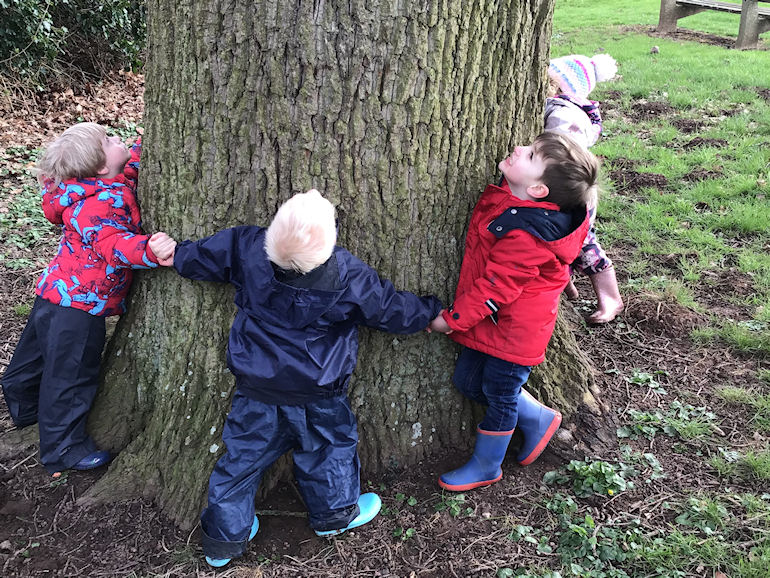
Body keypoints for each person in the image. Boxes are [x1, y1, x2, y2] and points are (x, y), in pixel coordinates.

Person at [149, 189, 442, 568]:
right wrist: (430, 314)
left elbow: (209, 255)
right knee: (328, 447)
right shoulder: (348, 275)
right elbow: (389, 308)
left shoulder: (248, 246)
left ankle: (223, 538)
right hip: (318, 392)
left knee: (242, 458)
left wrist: (178, 254)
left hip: (258, 389)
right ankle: (335, 515)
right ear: (332, 241)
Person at [0, 122, 176, 476]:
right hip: (80, 308)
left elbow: (128, 167)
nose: (116, 138)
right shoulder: (99, 203)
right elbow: (113, 245)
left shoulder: (89, 187)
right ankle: (62, 449)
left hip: (54, 294)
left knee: (30, 363)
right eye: (109, 140)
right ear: (99, 166)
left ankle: (27, 409)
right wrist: (151, 250)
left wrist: (142, 146)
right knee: (71, 376)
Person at [429, 132, 599, 491]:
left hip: (514, 332)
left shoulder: (527, 234)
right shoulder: (529, 211)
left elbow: (497, 288)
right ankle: (538, 418)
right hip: (498, 326)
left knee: (500, 394)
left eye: (532, 155)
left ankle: (487, 465)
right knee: (468, 382)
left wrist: (452, 320)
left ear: (538, 191)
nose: (519, 148)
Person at [545, 53, 624, 324]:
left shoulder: (564, 114)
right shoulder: (560, 106)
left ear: (561, 85)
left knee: (581, 242)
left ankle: (611, 298)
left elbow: (564, 150)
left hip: (573, 191)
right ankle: (568, 286)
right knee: (553, 237)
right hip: (560, 187)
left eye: (549, 78)